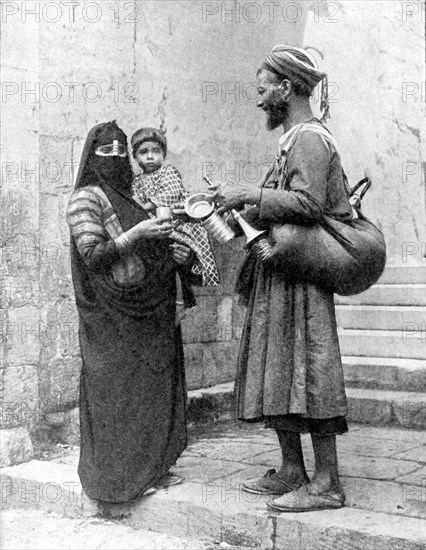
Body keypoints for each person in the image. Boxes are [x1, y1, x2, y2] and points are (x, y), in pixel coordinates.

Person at [212, 45, 352, 512]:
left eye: (263, 89)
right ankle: (293, 469)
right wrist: (239, 205)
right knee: (277, 368)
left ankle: (327, 481)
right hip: (279, 272)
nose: (259, 100)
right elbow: (282, 200)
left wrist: (250, 192)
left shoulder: (310, 139)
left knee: (311, 370)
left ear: (287, 88)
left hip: (303, 277)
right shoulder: (291, 139)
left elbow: (309, 205)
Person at [66, 121, 194, 503]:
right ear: (93, 156)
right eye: (107, 152)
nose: (117, 158)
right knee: (119, 393)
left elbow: (151, 252)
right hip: (110, 316)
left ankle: (153, 466)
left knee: (152, 389)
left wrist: (177, 257)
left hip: (148, 309)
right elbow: (93, 255)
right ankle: (119, 482)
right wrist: (139, 234)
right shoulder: (85, 198)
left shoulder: (135, 194)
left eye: (122, 151)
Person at [131, 126, 220, 291]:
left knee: (186, 254)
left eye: (156, 151)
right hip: (153, 226)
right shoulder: (136, 181)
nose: (150, 156)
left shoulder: (168, 172)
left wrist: (146, 205)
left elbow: (170, 195)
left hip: (175, 220)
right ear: (135, 158)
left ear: (163, 154)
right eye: (143, 152)